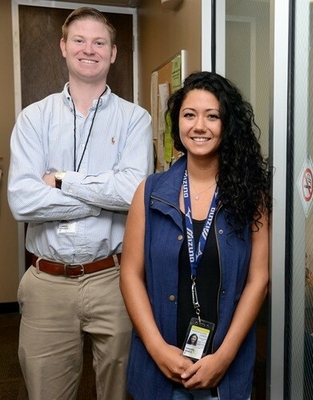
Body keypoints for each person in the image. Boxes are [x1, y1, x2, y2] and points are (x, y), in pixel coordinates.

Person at [7, 7, 153, 400]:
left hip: (115, 280)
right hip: (46, 285)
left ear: (114, 53)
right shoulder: (33, 119)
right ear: (63, 47)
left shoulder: (135, 120)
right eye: (79, 40)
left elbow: (133, 193)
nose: (89, 49)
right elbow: (22, 202)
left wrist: (62, 181)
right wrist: (104, 199)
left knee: (121, 392)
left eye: (99, 42)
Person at [120, 71, 271, 400]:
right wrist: (157, 349)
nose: (199, 126)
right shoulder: (150, 193)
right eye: (189, 115)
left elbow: (259, 280)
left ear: (227, 125)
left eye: (212, 116)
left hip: (222, 375)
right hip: (159, 372)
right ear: (178, 125)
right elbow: (130, 275)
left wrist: (223, 358)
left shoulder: (251, 196)